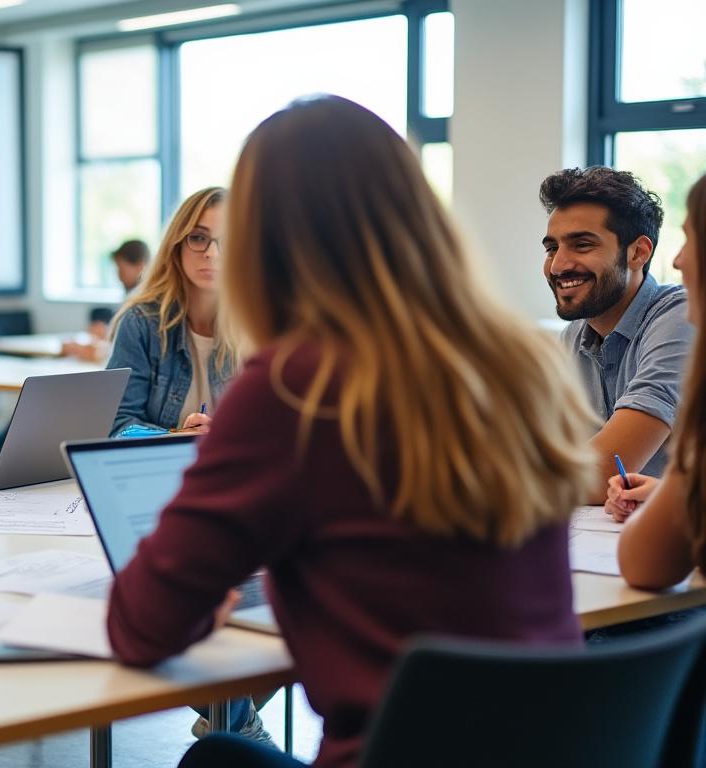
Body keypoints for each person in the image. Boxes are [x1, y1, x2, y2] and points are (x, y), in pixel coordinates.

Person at [108, 95, 594, 768]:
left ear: (263, 241)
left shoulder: (293, 386)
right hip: (564, 748)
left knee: (216, 759)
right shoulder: (518, 361)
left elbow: (141, 625)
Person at [540, 167, 693, 502]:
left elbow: (597, 475)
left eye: (581, 245)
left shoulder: (682, 318)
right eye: (552, 248)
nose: (558, 265)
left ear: (638, 253)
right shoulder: (574, 337)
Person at [616, 171, 706, 589]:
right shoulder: (572, 338)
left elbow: (643, 565)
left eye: (692, 239)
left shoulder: (673, 315)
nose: (678, 260)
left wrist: (682, 489)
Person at [105, 188, 239, 436]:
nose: (212, 253)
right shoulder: (140, 323)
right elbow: (117, 424)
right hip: (160, 468)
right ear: (176, 245)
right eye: (198, 238)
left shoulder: (261, 326)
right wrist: (175, 436)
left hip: (235, 470)